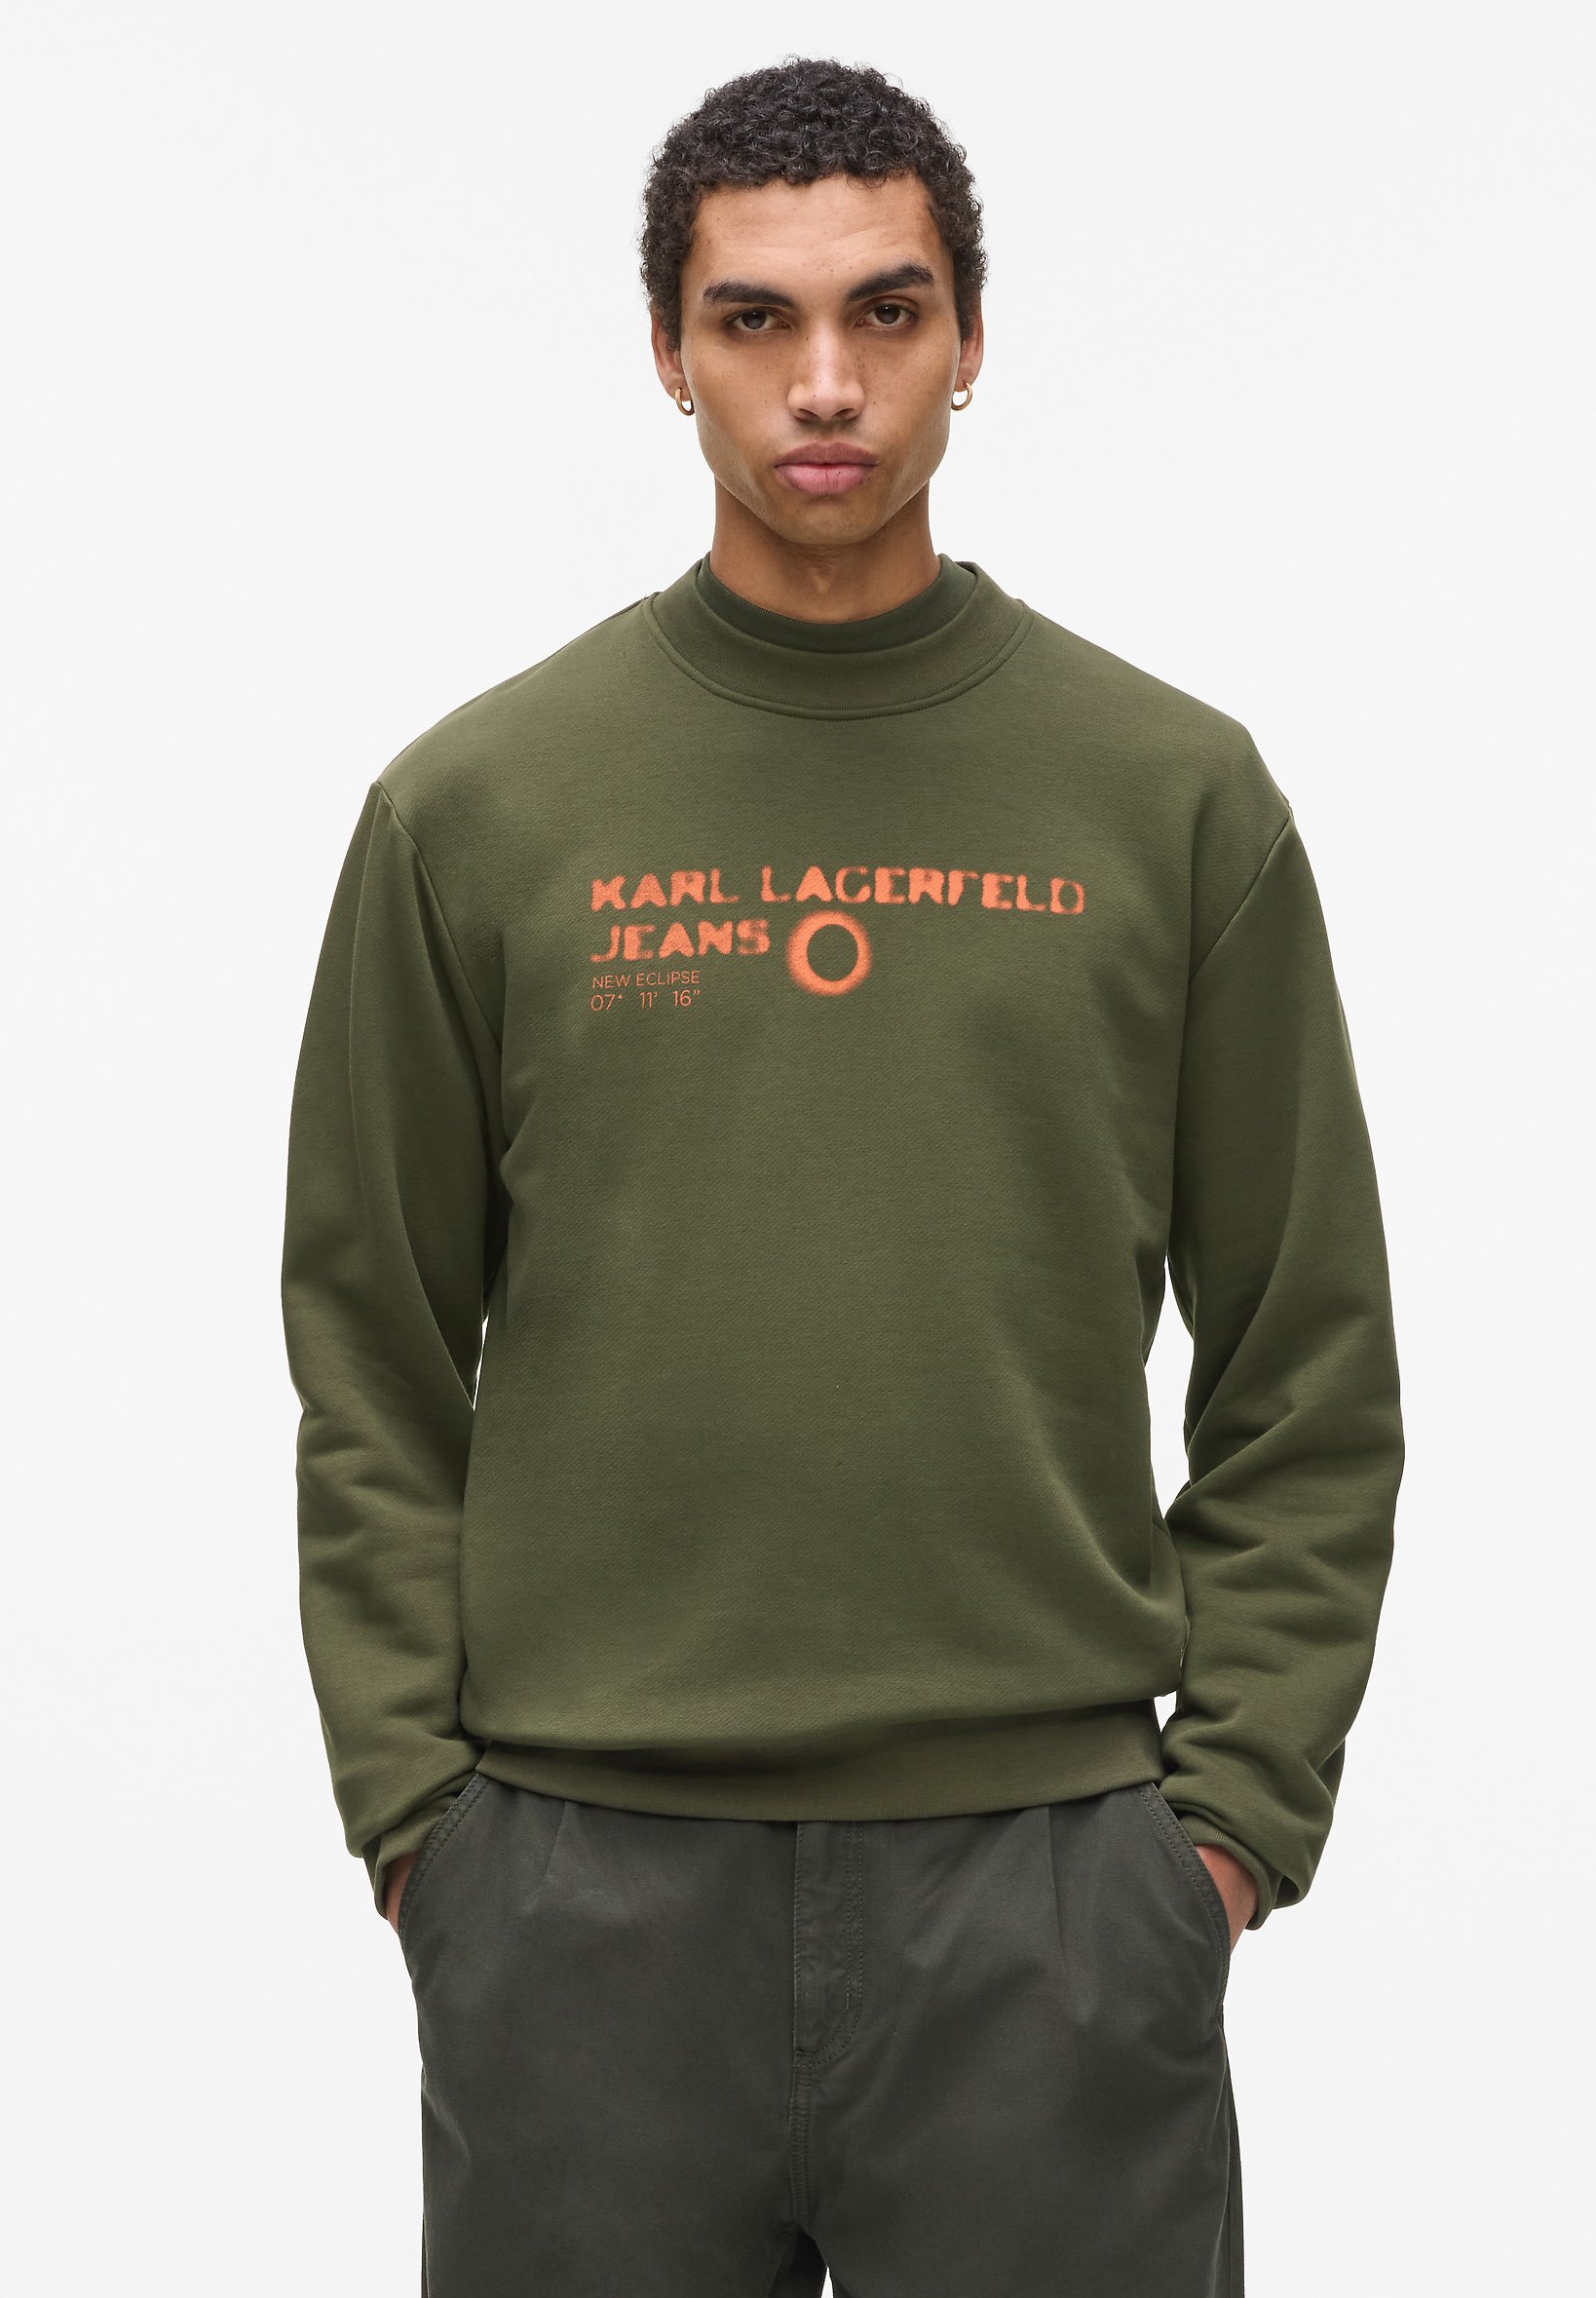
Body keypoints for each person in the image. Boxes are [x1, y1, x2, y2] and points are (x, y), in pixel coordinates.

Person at [280, 54, 1404, 2298]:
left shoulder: (1173, 799)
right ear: (667, 350)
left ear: (971, 337)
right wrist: (423, 1827)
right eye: (755, 319)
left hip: (1053, 1898)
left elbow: (1311, 1358)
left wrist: (1224, 1830)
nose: (824, 383)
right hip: (580, 1899)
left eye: (886, 312)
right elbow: (371, 1349)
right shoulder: (476, 811)